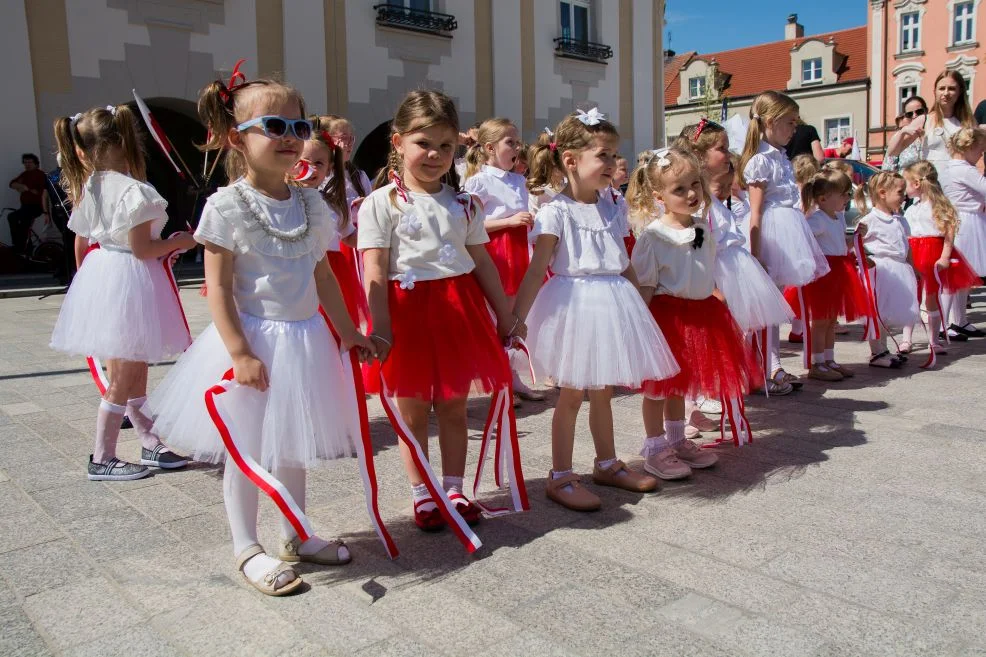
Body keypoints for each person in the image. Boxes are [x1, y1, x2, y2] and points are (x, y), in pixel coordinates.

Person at [145, 76, 375, 595]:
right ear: (235, 137)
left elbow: (321, 275)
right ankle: (246, 546)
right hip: (251, 343)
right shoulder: (227, 207)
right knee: (246, 450)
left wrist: (349, 331)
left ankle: (295, 533)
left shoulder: (312, 205)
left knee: (293, 445)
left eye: (299, 125)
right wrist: (241, 353)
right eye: (274, 126)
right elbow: (219, 289)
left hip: (305, 340)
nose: (291, 136)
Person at [359, 91, 523, 531]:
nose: (434, 155)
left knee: (453, 405)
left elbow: (483, 262)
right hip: (406, 315)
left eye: (445, 146)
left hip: (457, 311)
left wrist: (504, 314)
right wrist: (380, 326)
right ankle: (422, 492)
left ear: (458, 148)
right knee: (412, 410)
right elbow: (373, 266)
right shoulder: (380, 203)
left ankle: (454, 487)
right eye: (423, 144)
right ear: (398, 143)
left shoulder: (465, 203)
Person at [513, 110, 678, 511]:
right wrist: (516, 317)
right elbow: (538, 269)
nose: (611, 164)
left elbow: (623, 261)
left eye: (613, 155)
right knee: (571, 394)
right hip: (575, 305)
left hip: (613, 302)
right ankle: (560, 475)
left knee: (603, 389)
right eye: (603, 156)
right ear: (571, 160)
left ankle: (606, 463)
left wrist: (642, 303)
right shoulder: (556, 210)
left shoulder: (611, 206)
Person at [49, 105, 196, 480]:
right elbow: (144, 249)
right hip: (131, 278)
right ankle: (103, 457)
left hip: (106, 277)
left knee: (135, 365)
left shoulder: (91, 186)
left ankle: (149, 440)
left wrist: (92, 288)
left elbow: (82, 244)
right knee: (125, 374)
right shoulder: (136, 191)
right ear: (130, 141)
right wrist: (182, 241)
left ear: (82, 148)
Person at [628, 147, 759, 470]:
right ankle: (655, 447)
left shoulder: (701, 228)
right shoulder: (653, 236)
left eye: (694, 185)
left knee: (680, 385)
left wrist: (713, 289)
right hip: (667, 317)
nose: (690, 194)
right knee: (659, 388)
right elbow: (646, 282)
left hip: (701, 314)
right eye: (679, 189)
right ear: (659, 195)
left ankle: (676, 440)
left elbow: (702, 264)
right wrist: (640, 327)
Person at [675, 120, 793, 397]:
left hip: (733, 269)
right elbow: (696, 243)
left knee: (735, 332)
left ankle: (729, 382)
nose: (728, 154)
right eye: (722, 149)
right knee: (709, 335)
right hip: (715, 272)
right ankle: (703, 393)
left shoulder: (714, 198)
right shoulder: (699, 201)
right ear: (699, 154)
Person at [739, 91, 830, 393]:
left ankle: (771, 365)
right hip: (769, 236)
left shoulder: (780, 156)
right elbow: (755, 211)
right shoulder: (761, 161)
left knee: (774, 307)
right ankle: (760, 368)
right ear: (769, 121)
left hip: (785, 231)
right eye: (790, 123)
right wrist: (755, 254)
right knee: (763, 309)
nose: (794, 130)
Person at [463, 117, 543, 403]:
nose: (517, 148)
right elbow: (470, 225)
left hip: (519, 248)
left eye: (517, 142)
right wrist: (509, 221)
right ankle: (499, 380)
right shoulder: (479, 182)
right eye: (510, 142)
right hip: (496, 251)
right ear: (489, 148)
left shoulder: (518, 180)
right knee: (498, 315)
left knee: (516, 314)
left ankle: (513, 376)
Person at [785, 169, 868, 380]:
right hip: (824, 274)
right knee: (821, 320)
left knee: (831, 319)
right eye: (843, 194)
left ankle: (829, 359)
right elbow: (800, 235)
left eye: (848, 193)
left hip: (839, 270)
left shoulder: (838, 217)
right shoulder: (818, 219)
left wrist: (857, 237)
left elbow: (841, 245)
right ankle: (816, 363)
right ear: (823, 198)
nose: (847, 198)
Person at [900, 160, 979, 354]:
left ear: (916, 184)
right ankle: (906, 339)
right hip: (914, 253)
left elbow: (948, 232)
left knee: (932, 298)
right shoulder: (910, 208)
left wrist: (945, 256)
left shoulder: (938, 206)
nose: (903, 187)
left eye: (905, 183)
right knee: (912, 297)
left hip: (932, 253)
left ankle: (934, 340)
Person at [291, 129, 365, 326]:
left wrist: (381, 233)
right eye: (303, 162)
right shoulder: (283, 200)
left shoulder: (331, 203)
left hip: (333, 272)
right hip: (296, 272)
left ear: (330, 168)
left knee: (332, 327)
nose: (311, 169)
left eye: (319, 163)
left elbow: (348, 235)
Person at [855, 172, 920, 368]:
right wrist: (866, 260)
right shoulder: (870, 220)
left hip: (899, 270)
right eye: (900, 192)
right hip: (881, 271)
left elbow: (906, 246)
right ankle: (877, 352)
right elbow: (856, 246)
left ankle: (884, 349)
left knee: (888, 314)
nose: (904, 196)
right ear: (883, 193)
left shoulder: (900, 220)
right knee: (878, 313)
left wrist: (912, 267)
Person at [937, 127, 986, 339]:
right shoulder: (965, 169)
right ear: (970, 147)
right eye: (981, 150)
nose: (981, 155)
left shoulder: (950, 167)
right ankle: (944, 324)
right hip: (966, 222)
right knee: (955, 276)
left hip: (964, 219)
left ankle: (959, 320)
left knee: (962, 276)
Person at [43, 158, 76, 284]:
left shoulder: (51, 175)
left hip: (58, 212)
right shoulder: (68, 174)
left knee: (69, 241)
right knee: (70, 241)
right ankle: (64, 272)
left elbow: (44, 196)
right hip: (67, 211)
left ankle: (64, 272)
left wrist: (46, 212)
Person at [7, 153, 47, 254]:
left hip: (35, 206)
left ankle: (22, 247)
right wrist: (20, 186)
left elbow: (41, 192)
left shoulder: (40, 175)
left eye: (30, 162)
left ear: (36, 163)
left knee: (22, 222)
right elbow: (12, 183)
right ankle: (20, 244)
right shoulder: (24, 174)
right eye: (25, 162)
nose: (27, 165)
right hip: (25, 206)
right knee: (12, 217)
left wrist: (27, 189)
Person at [882, 96, 929, 172]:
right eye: (909, 114)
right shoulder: (900, 136)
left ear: (926, 111)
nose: (914, 116)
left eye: (919, 112)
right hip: (906, 182)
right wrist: (902, 132)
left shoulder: (933, 133)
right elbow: (888, 168)